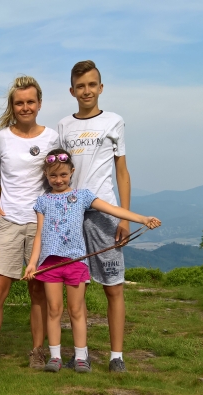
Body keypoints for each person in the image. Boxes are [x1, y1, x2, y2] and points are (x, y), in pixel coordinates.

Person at [22, 149, 161, 372]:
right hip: (50, 264)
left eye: (63, 175)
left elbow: (112, 209)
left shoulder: (83, 196)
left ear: (72, 172)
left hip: (76, 262)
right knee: (54, 310)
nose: (58, 180)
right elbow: (39, 235)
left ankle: (80, 357)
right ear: (46, 175)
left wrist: (142, 218)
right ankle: (55, 357)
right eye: (53, 175)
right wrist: (32, 263)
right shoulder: (43, 201)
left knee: (76, 310)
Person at [0, 75, 60, 372]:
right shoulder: (0, 137)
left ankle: (37, 351)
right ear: (12, 106)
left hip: (40, 222)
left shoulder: (51, 137)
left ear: (39, 104)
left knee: (38, 290)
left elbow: (58, 175)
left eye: (30, 102)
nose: (25, 108)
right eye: (19, 103)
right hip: (8, 220)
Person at [57, 60, 135, 372]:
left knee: (113, 286)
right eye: (80, 86)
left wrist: (125, 218)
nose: (86, 91)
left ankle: (117, 357)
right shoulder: (64, 125)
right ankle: (81, 354)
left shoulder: (114, 121)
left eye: (92, 85)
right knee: (77, 289)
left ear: (101, 88)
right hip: (72, 215)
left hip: (106, 214)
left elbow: (122, 171)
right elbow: (59, 171)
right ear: (72, 91)